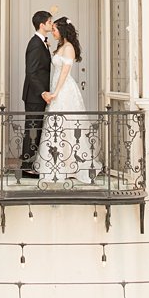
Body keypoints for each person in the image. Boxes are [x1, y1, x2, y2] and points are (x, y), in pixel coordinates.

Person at [39, 17, 93, 185]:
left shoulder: (69, 48)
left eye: (54, 29)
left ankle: (71, 164)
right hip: (57, 86)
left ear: (62, 31)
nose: (52, 32)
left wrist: (56, 92)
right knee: (56, 126)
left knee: (66, 125)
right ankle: (57, 163)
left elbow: (64, 72)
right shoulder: (61, 46)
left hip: (64, 89)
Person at [19, 10, 53, 179]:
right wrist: (42, 92)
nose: (51, 25)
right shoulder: (34, 43)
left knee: (36, 129)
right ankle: (26, 167)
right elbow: (31, 72)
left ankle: (30, 164)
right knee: (32, 130)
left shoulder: (42, 43)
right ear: (42, 25)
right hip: (34, 95)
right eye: (49, 22)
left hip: (38, 95)